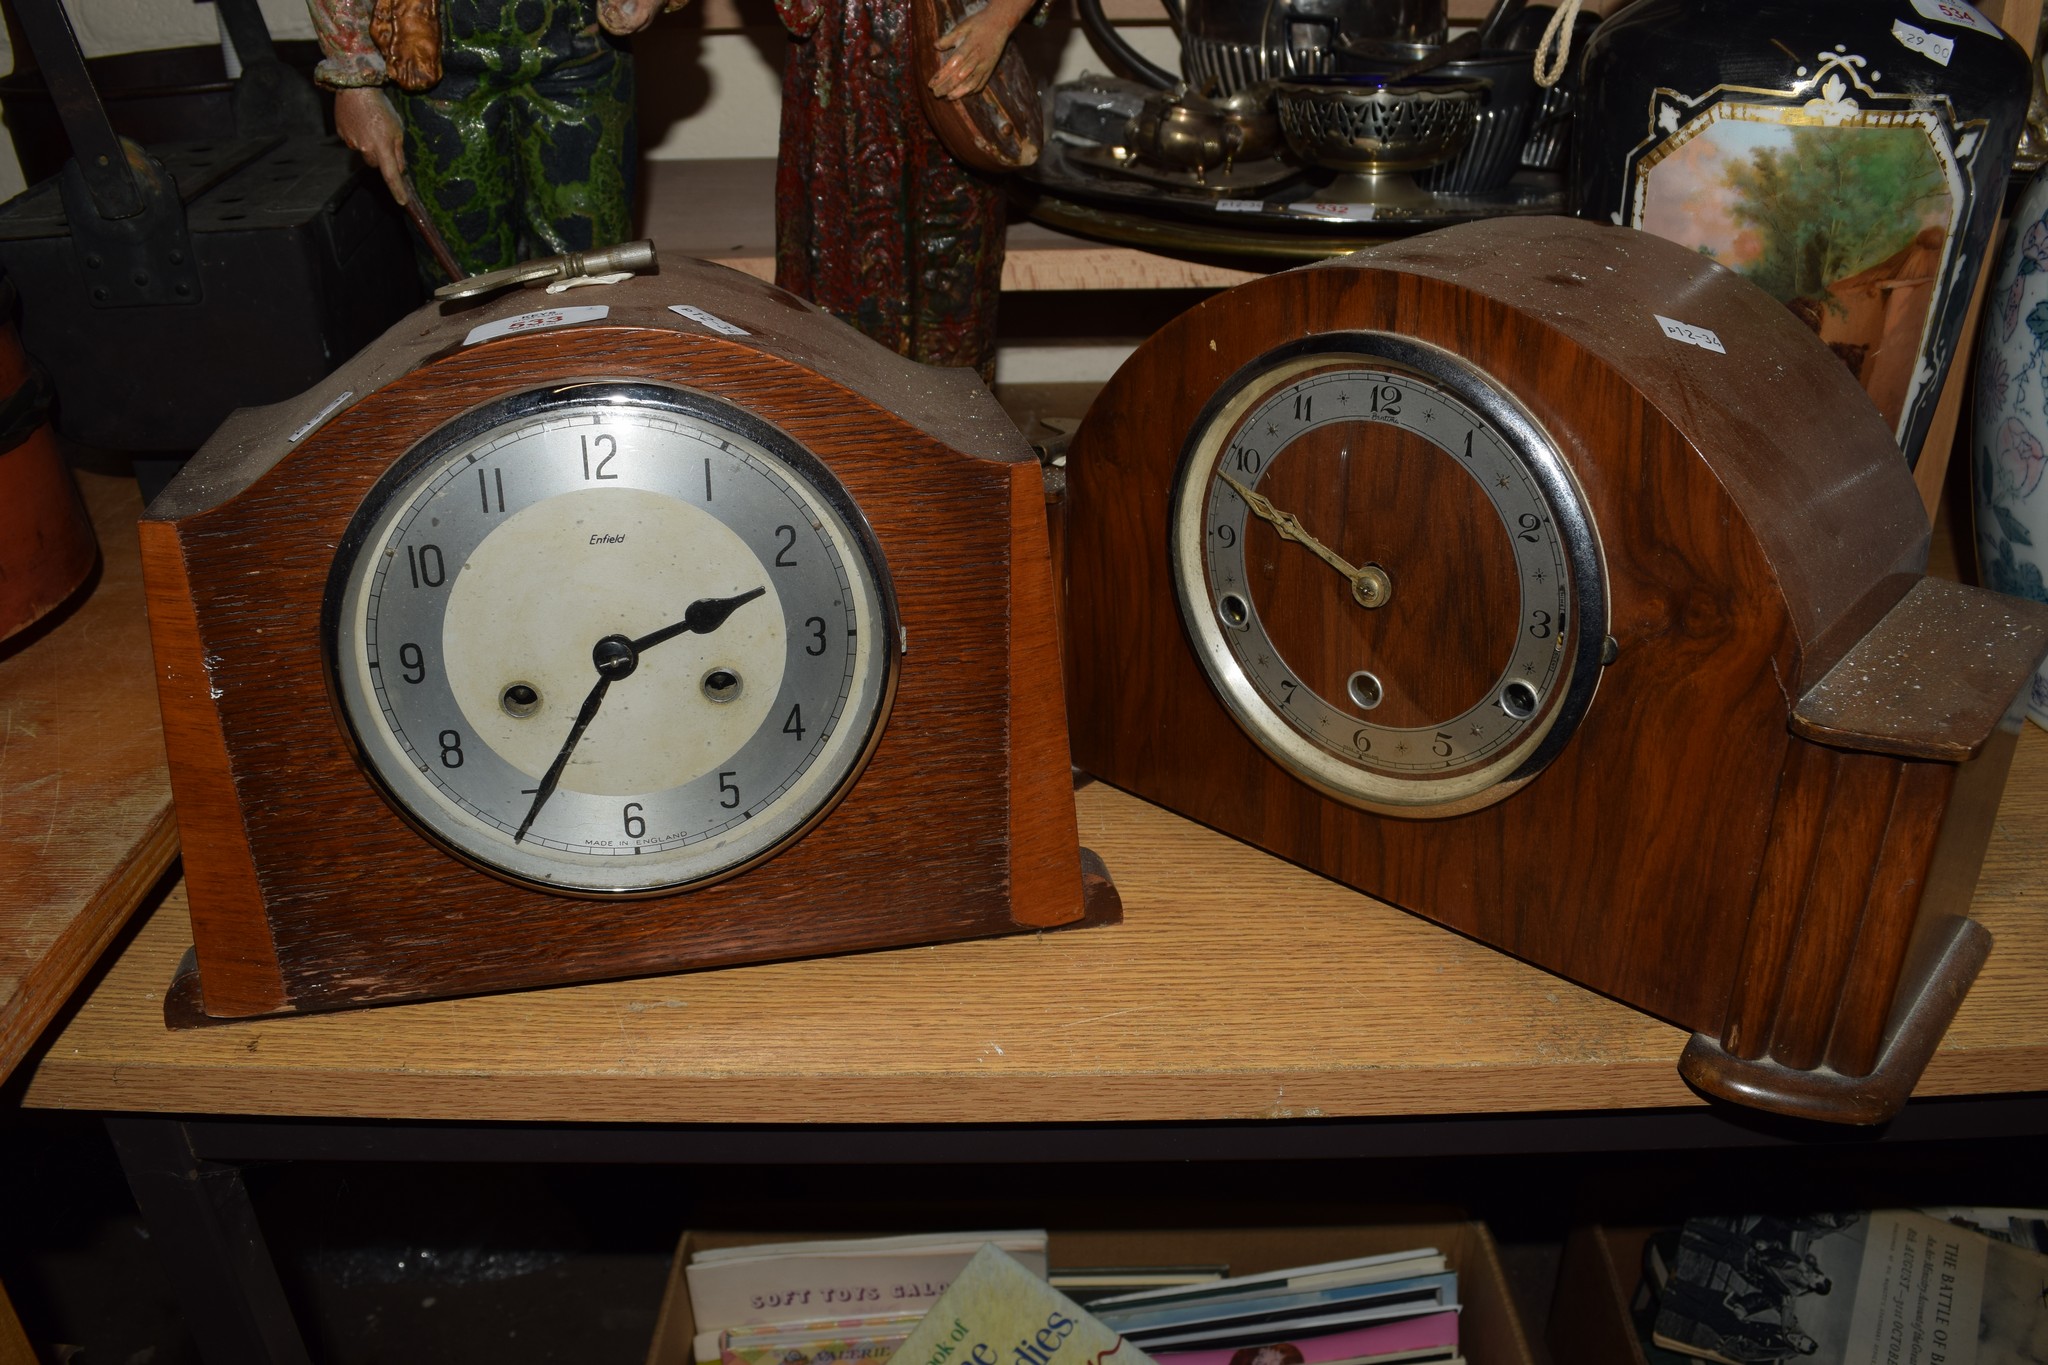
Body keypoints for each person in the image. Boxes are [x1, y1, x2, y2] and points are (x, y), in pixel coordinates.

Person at [772, 0, 1041, 380]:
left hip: (951, 50)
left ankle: (954, 430)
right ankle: (833, 424)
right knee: (833, 291)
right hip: (839, 66)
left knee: (951, 290)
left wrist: (1000, 18)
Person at [308, 0, 664, 279]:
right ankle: (487, 365)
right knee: (465, 267)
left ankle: (588, 362)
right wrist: (353, 74)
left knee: (591, 257)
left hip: (580, 43)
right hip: (432, 55)